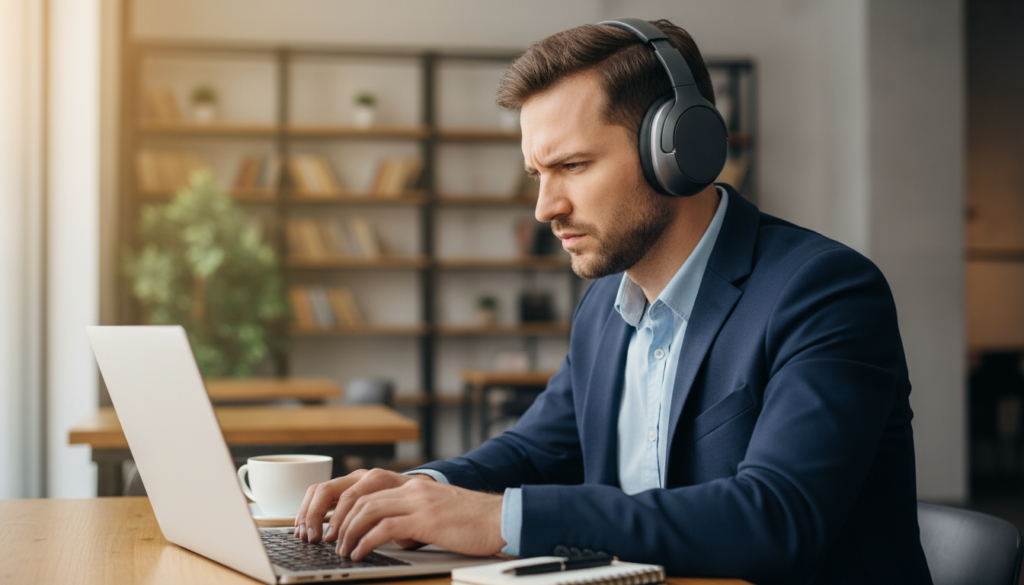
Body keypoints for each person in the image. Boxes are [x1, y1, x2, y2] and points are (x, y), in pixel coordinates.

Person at [293, 19, 932, 585]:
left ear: (678, 152)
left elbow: (778, 517)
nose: (546, 208)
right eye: (537, 175)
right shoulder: (606, 305)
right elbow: (537, 450)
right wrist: (420, 490)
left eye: (572, 166)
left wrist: (500, 519)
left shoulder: (824, 291)